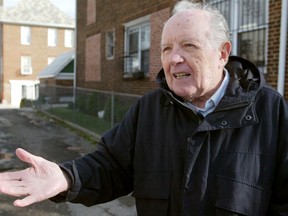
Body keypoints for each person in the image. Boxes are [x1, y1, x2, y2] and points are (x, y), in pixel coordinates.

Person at [0, 0, 288, 215]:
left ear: (222, 53)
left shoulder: (270, 112)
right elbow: (110, 166)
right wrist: (65, 177)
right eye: (165, 49)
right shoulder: (149, 110)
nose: (173, 59)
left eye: (188, 45)